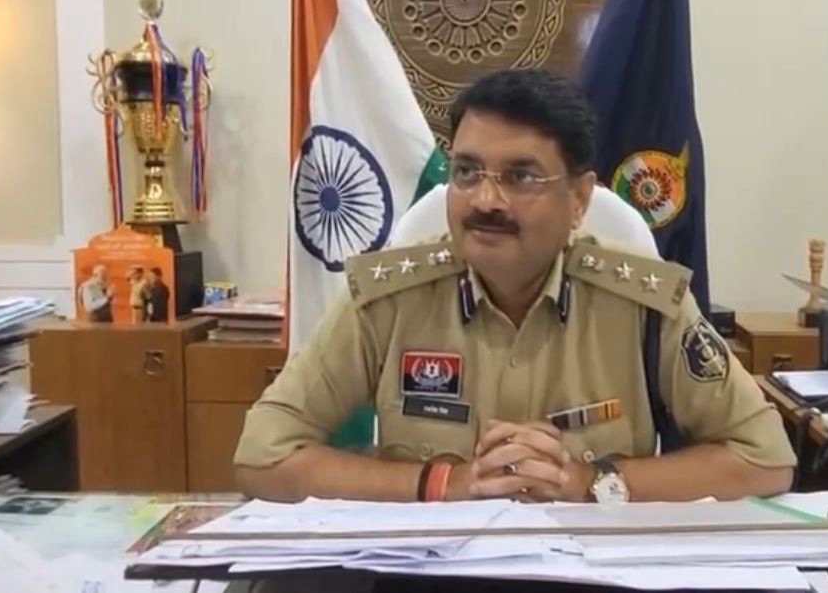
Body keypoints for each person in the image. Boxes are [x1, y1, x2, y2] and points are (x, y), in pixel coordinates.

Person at [233, 68, 796, 504]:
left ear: (579, 199)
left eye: (520, 176)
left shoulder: (644, 303)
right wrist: (442, 484)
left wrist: (592, 482)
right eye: (467, 171)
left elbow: (766, 459)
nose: (486, 200)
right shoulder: (388, 299)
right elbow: (263, 453)